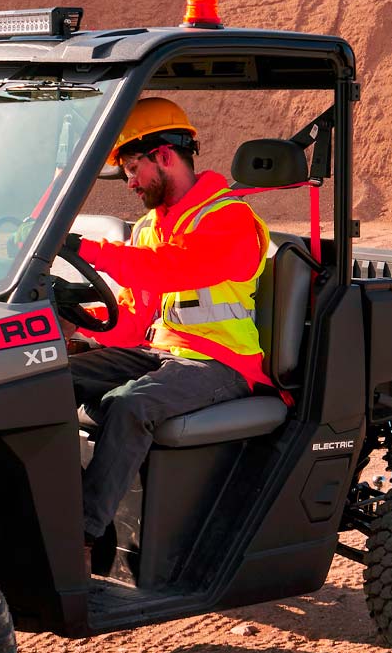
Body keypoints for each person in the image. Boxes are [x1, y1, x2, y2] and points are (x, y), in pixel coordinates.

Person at [65, 95, 274, 561]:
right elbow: (132, 321)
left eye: (132, 168)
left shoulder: (230, 219)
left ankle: (80, 539)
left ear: (163, 156)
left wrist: (88, 249)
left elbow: (173, 269)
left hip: (221, 363)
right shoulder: (147, 228)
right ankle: (47, 504)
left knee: (130, 405)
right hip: (161, 354)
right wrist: (79, 326)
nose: (130, 182)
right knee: (48, 379)